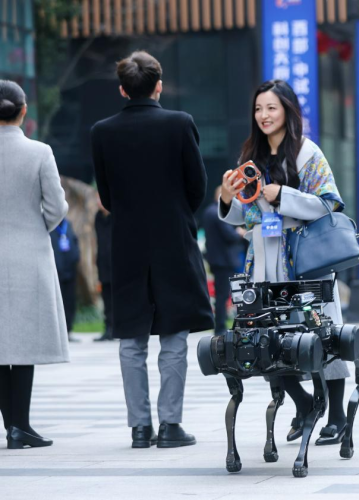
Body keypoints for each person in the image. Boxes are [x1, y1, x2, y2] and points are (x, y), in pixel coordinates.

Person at [91, 51, 214, 449]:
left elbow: (106, 195)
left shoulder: (102, 131)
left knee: (131, 337)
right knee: (173, 335)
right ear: (158, 85)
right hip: (172, 239)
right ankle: (170, 426)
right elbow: (197, 186)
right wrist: (175, 212)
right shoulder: (180, 124)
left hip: (126, 242)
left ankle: (139, 428)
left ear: (123, 89)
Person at [218, 79, 350, 446]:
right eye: (259, 109)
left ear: (288, 111)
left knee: (324, 332)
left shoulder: (308, 153)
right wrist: (229, 198)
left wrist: (283, 196)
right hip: (262, 259)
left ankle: (336, 416)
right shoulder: (251, 156)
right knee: (265, 336)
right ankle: (305, 401)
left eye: (271, 108)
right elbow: (244, 216)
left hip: (305, 259)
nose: (264, 115)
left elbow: (329, 203)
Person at [0, 80, 69, 448]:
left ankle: (11, 424)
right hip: (29, 254)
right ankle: (20, 426)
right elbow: (56, 208)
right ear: (23, 111)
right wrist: (35, 227)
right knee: (22, 343)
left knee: (0, 343)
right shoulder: (40, 152)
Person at [202, 187, 246, 334]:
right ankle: (220, 328)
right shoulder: (218, 213)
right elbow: (230, 236)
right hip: (225, 260)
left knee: (221, 295)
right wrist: (239, 232)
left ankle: (220, 326)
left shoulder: (208, 211)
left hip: (216, 260)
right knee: (224, 296)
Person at [50, 218, 81, 343]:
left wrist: (76, 258)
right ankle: (57, 334)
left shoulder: (68, 224)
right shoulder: (50, 225)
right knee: (58, 303)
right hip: (56, 272)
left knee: (70, 302)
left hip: (70, 272)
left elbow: (74, 242)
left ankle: (68, 330)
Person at [94, 195, 114, 342]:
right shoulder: (98, 218)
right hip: (103, 265)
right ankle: (108, 329)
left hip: (116, 265)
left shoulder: (116, 216)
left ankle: (119, 328)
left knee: (117, 300)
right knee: (107, 300)